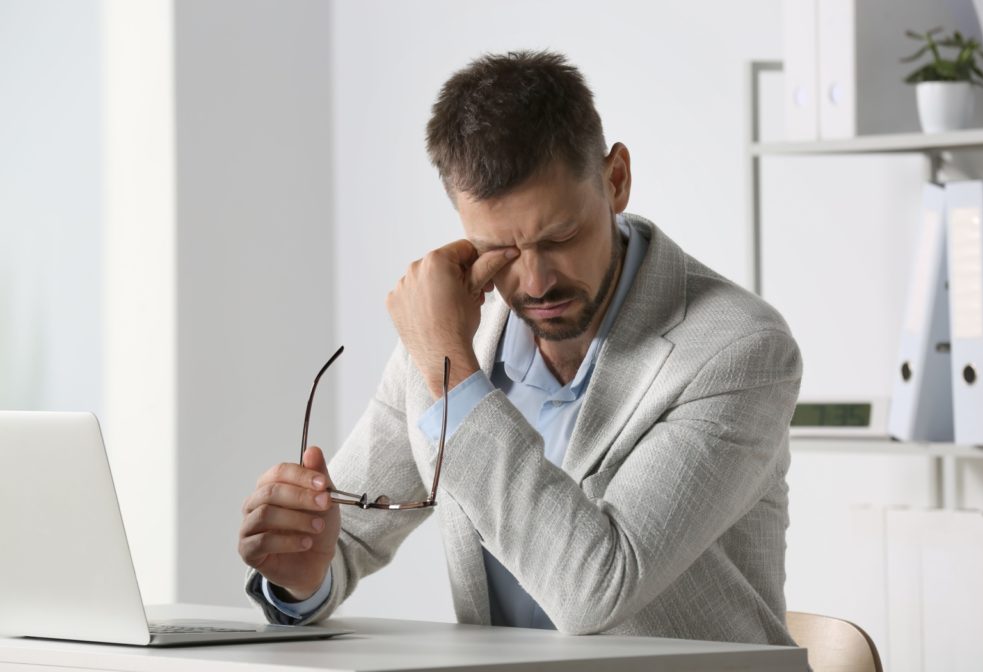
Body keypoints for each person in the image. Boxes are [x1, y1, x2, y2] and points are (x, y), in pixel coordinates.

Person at [238, 50, 802, 645]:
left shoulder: (740, 350)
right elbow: (347, 535)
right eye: (500, 250)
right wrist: (302, 576)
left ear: (615, 180)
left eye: (560, 236)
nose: (534, 284)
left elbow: (597, 588)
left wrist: (447, 369)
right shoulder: (454, 339)